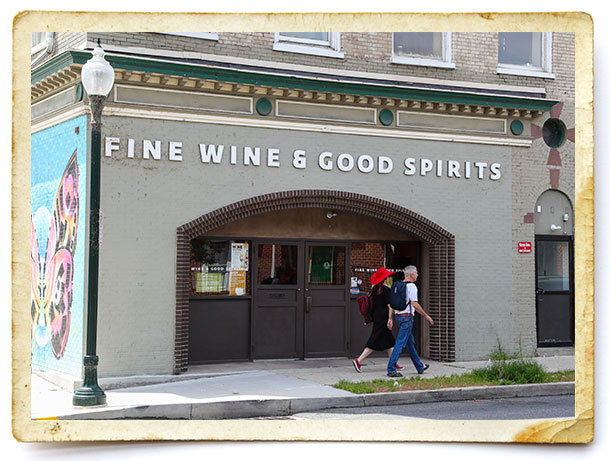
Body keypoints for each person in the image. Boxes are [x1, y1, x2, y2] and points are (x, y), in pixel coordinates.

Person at [352, 268, 405, 373]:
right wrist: (390, 319)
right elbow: (390, 306)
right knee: (374, 340)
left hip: (377, 317)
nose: (389, 278)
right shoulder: (385, 290)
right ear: (384, 279)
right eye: (387, 277)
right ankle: (359, 360)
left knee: (389, 341)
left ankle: (393, 363)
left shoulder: (374, 290)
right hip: (383, 317)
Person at [386, 265, 434, 378]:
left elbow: (391, 304)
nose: (418, 275)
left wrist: (390, 318)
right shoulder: (412, 287)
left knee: (410, 343)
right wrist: (426, 316)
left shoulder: (397, 285)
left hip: (399, 317)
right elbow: (414, 304)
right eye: (416, 273)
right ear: (411, 274)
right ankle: (391, 369)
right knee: (400, 343)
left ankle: (419, 366)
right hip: (407, 318)